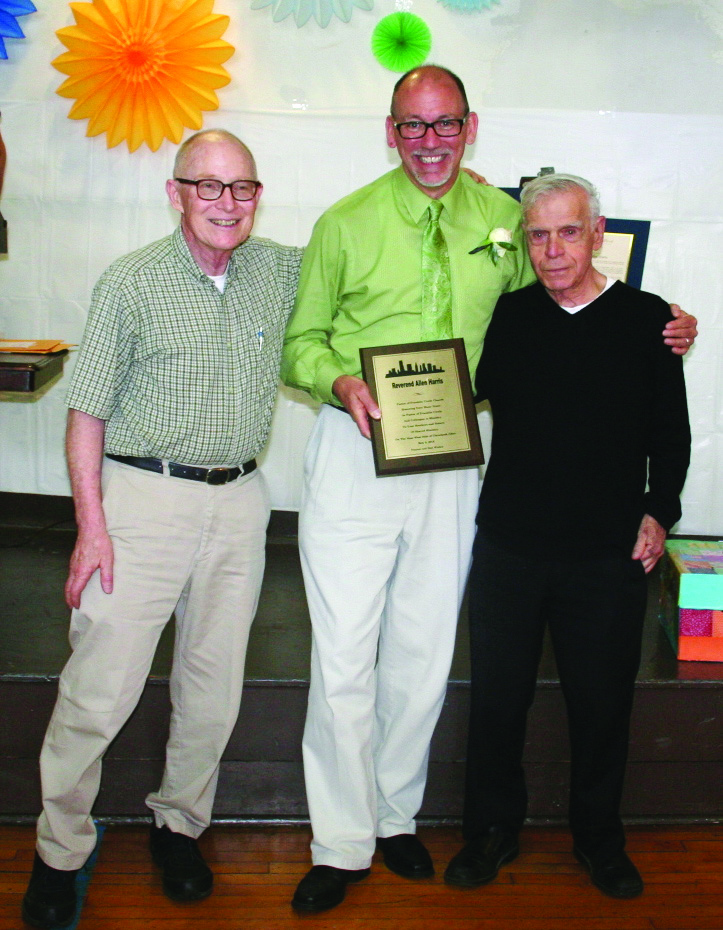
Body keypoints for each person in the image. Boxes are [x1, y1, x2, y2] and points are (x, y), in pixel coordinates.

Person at [281, 67, 696, 915]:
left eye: (444, 127)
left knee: (425, 656)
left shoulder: (502, 222)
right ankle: (340, 840)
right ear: (389, 131)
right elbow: (299, 343)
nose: (428, 142)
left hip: (451, 461)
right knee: (345, 656)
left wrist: (659, 322)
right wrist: (337, 383)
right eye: (412, 127)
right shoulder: (344, 223)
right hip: (357, 451)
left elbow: (563, 301)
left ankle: (395, 821)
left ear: (469, 129)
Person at [21, 129, 302, 929]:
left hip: (241, 503)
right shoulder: (132, 282)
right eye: (207, 185)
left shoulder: (278, 271)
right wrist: (91, 528)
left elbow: (364, 269)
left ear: (257, 196)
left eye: (242, 187)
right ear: (174, 191)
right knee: (96, 691)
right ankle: (60, 848)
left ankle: (179, 825)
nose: (226, 203)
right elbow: (86, 415)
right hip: (141, 503)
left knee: (212, 691)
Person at [444, 174, 691, 900]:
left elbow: (668, 437)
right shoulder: (511, 314)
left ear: (597, 232)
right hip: (510, 547)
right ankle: (490, 833)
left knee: (601, 704)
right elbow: (469, 391)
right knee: (496, 702)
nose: (552, 250)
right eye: (537, 235)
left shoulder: (648, 319)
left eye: (567, 232)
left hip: (605, 553)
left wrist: (660, 511)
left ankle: (598, 841)